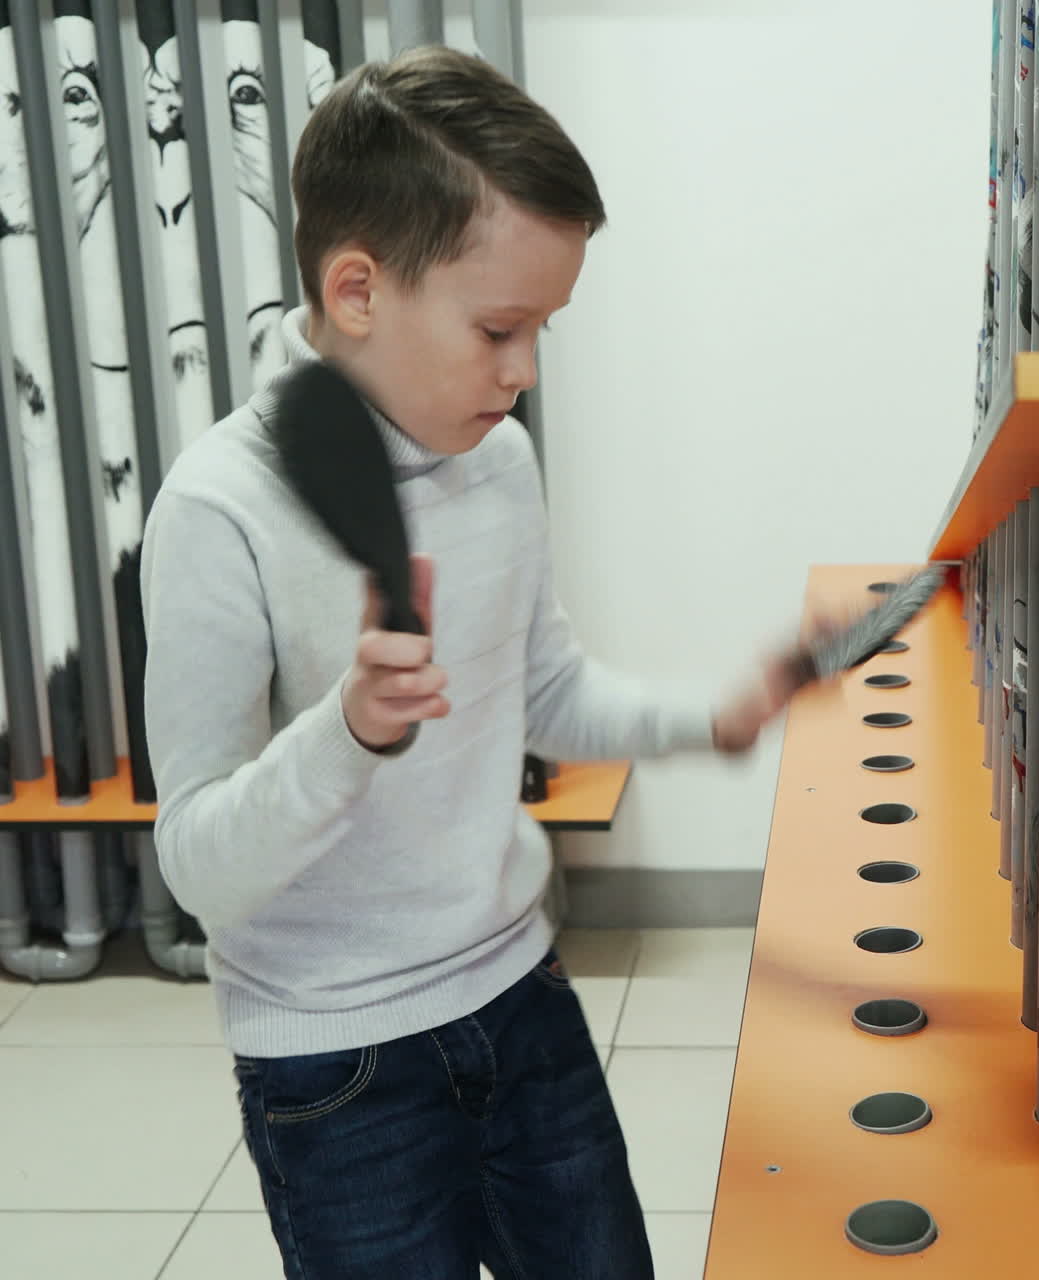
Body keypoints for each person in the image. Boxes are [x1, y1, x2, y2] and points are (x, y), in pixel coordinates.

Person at [142, 45, 804, 1280]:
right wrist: (347, 730)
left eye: (542, 328)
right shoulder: (217, 510)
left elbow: (541, 686)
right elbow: (198, 865)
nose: (525, 369)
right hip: (334, 1070)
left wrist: (704, 714)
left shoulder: (494, 460)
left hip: (518, 997)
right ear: (356, 292)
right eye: (500, 327)